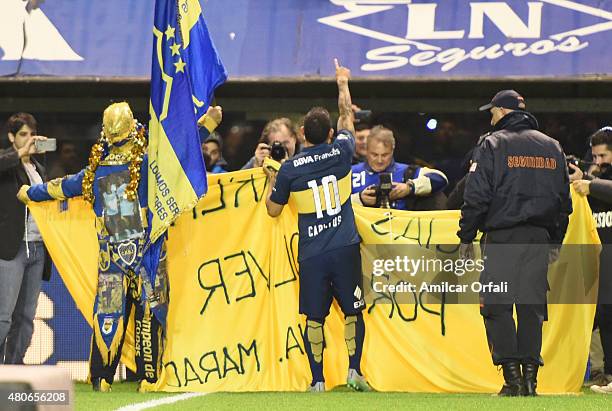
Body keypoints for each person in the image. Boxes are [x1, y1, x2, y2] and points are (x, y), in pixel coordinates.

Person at [18, 102, 222, 392]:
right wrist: (209, 124)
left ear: (106, 131)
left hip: (111, 258)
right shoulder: (151, 163)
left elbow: (60, 187)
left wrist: (29, 192)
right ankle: (148, 379)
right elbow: (183, 151)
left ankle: (101, 378)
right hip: (146, 254)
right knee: (150, 311)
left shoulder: (94, 172)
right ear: (132, 127)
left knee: (109, 314)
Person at [263, 59, 369, 392]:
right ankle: (354, 371)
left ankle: (318, 380)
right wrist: (342, 83)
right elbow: (347, 116)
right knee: (353, 311)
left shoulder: (291, 169)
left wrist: (271, 180)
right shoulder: (342, 151)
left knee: (314, 317)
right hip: (345, 247)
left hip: (311, 253)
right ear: (330, 134)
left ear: (302, 136)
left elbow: (272, 211)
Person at [457, 90, 572, 396]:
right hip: (539, 238)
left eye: (492, 112)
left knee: (497, 307)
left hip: (502, 237)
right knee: (532, 308)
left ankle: (513, 380)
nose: (490, 118)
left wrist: (466, 235)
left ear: (503, 112)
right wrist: (555, 240)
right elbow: (564, 201)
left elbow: (476, 195)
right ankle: (531, 382)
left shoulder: (492, 143)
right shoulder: (553, 146)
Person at [0, 112, 51, 364]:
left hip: (37, 247)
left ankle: (14, 367)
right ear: (11, 137)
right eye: (23, 134)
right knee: (3, 316)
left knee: (27, 316)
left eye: (32, 134)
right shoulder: (7, 162)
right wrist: (19, 154)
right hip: (12, 247)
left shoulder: (39, 168)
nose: (29, 139)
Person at [570, 127, 612, 393]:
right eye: (595, 157)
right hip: (603, 259)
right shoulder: (596, 177)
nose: (598, 162)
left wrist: (590, 183)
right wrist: (584, 176)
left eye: (603, 156)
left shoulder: (598, 183)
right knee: (606, 316)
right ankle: (609, 375)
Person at [351, 126, 448, 210]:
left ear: (392, 151)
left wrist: (409, 188)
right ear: (367, 150)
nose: (379, 160)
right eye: (374, 155)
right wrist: (359, 199)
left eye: (385, 155)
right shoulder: (351, 173)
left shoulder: (407, 172)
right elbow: (336, 202)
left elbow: (441, 178)